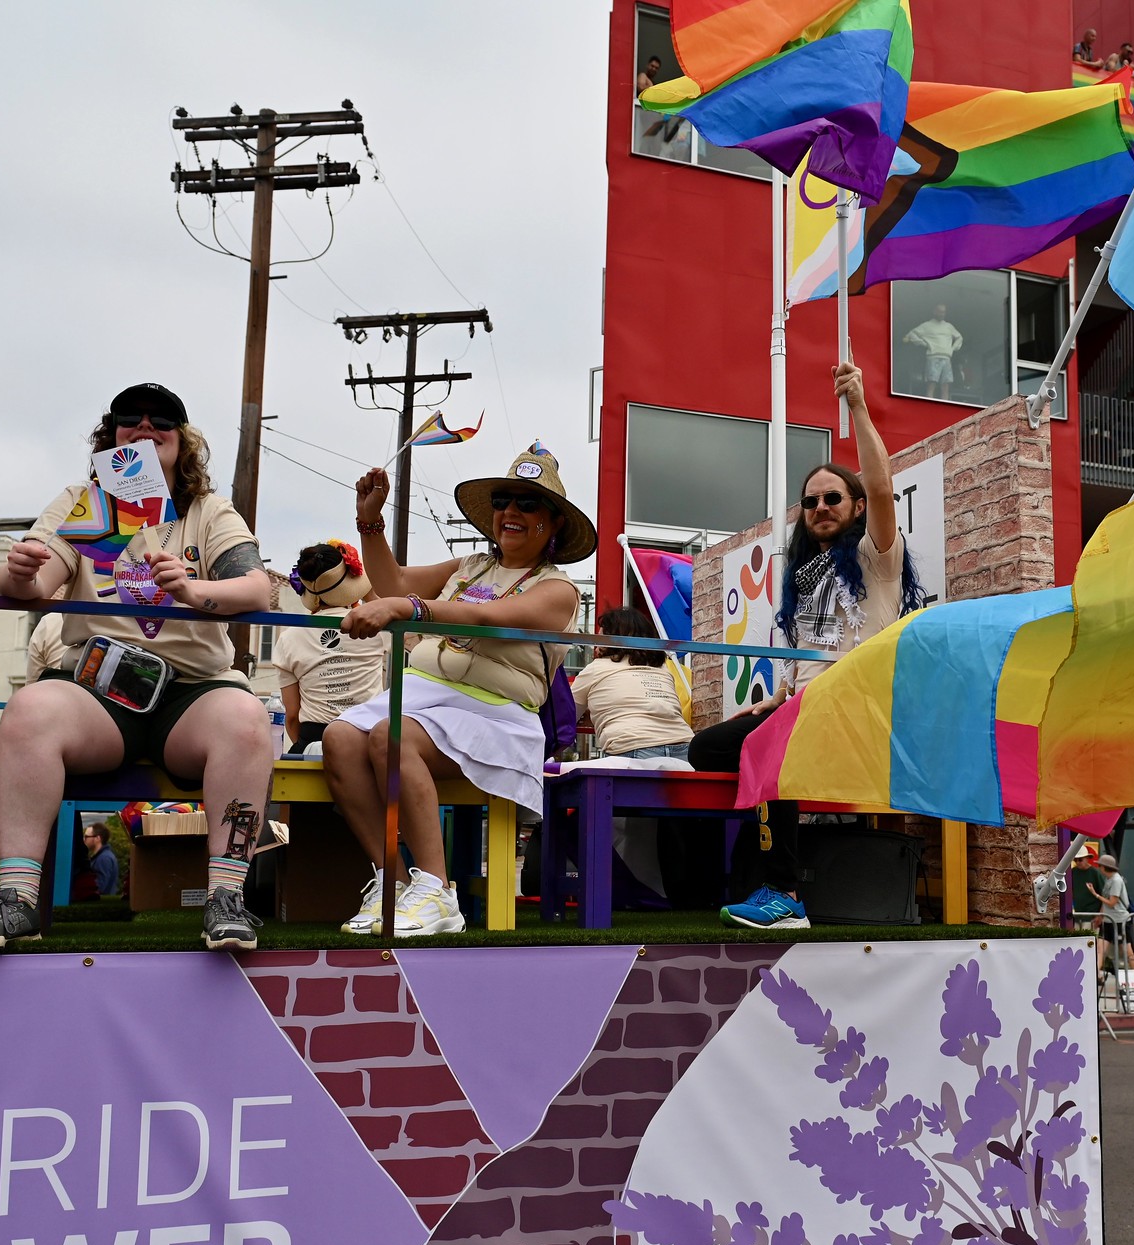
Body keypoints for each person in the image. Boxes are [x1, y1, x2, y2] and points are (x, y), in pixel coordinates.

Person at [0, 383, 277, 953]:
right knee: (29, 708)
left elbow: (255, 591)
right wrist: (21, 572)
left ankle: (227, 900)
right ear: (112, 434)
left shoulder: (207, 510)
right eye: (131, 419)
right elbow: (31, 585)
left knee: (246, 718)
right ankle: (17, 899)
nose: (145, 428)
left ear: (183, 441)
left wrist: (194, 589)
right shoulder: (86, 502)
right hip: (100, 691)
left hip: (194, 693)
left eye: (162, 422)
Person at [688, 363, 924, 930]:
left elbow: (883, 486)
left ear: (857, 506)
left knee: (772, 749)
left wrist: (860, 407)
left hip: (860, 715)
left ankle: (783, 891)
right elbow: (807, 662)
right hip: (807, 710)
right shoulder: (800, 578)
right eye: (811, 501)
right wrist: (770, 703)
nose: (820, 508)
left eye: (833, 498)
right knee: (708, 750)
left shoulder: (876, 559)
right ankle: (732, 879)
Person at [324, 446, 589, 937]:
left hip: (498, 714)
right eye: (504, 500)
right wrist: (370, 524)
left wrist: (408, 608)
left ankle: (438, 891)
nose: (510, 511)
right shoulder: (469, 565)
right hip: (424, 698)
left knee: (389, 736)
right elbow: (394, 583)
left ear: (551, 525)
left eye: (527, 504)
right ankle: (395, 885)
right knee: (339, 738)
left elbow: (489, 618)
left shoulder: (559, 590)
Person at [275, 539, 387, 753]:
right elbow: (414, 639)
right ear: (352, 580)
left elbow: (291, 717)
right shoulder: (378, 628)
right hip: (367, 737)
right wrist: (369, 595)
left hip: (313, 741)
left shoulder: (288, 638)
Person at [572, 608, 694, 760]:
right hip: (685, 747)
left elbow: (565, 717)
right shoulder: (663, 668)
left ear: (613, 639)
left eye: (601, 635)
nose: (596, 642)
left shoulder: (595, 669)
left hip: (633, 747)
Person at [902, 304, 963, 400]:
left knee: (945, 385)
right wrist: (924, 344)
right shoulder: (927, 325)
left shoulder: (948, 326)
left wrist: (952, 348)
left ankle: (945, 406)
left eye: (944, 312)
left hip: (946, 358)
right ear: (935, 312)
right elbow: (912, 334)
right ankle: (929, 404)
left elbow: (959, 337)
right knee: (932, 383)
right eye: (940, 311)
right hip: (933, 357)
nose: (942, 314)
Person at [1090, 852, 1134, 974]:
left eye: (1100, 865)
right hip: (1108, 920)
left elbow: (1112, 902)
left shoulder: (1116, 880)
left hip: (1119, 921)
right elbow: (1107, 902)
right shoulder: (1109, 879)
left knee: (1128, 951)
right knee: (1100, 950)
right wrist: (1100, 916)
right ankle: (1093, 978)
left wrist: (1095, 894)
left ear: (1105, 867)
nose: (1099, 867)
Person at [83, 821, 120, 897]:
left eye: (86, 837)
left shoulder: (104, 858)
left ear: (97, 838)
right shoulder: (104, 856)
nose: (84, 840)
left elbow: (99, 887)